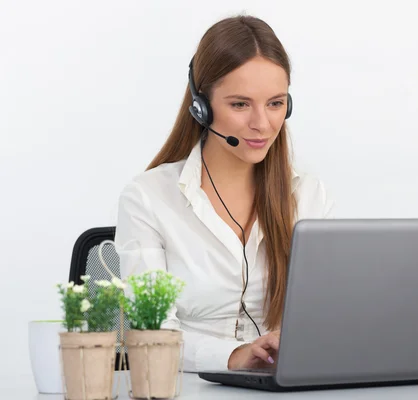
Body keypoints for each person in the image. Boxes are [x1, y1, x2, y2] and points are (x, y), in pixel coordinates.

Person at [114, 15, 334, 374]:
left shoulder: (308, 196)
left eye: (276, 103)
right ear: (201, 107)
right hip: (188, 388)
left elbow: (329, 315)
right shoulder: (148, 199)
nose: (262, 124)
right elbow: (149, 335)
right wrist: (234, 356)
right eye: (240, 104)